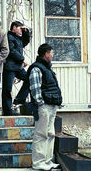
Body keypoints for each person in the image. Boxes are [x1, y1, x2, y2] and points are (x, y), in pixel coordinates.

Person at [27, 43, 61, 171]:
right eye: (51, 52)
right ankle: (38, 162)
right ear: (46, 54)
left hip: (52, 106)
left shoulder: (48, 68)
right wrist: (40, 102)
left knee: (50, 133)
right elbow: (35, 88)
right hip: (43, 106)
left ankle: (47, 161)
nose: (52, 55)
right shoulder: (36, 68)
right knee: (41, 134)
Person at [2, 21, 31, 116]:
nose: (21, 30)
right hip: (10, 67)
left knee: (29, 79)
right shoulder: (9, 37)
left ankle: (19, 100)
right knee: (7, 89)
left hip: (18, 67)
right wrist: (22, 60)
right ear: (14, 27)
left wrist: (25, 31)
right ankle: (7, 110)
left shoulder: (18, 38)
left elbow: (25, 41)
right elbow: (12, 51)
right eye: (19, 28)